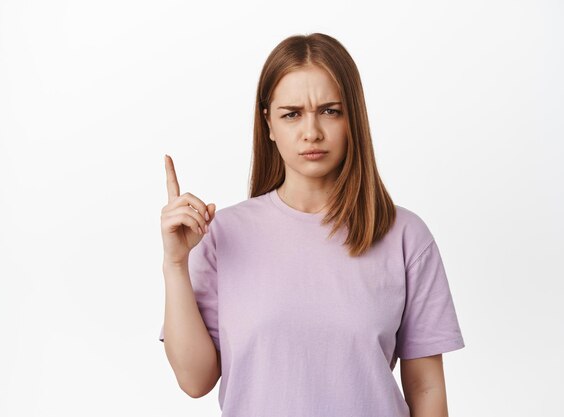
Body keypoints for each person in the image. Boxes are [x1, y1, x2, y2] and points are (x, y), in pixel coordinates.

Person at [158, 32, 465, 417]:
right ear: (268, 123)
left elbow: (426, 386)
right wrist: (175, 264)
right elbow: (195, 380)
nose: (311, 132)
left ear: (354, 116)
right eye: (292, 114)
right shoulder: (221, 233)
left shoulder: (405, 236)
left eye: (330, 111)